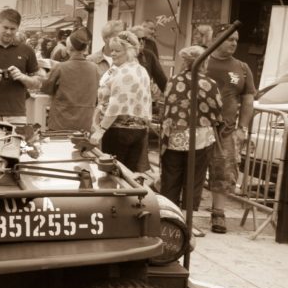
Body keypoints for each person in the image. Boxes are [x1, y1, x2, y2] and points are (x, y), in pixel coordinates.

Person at [160, 45, 223, 218]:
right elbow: (217, 110)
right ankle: (188, 221)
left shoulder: (173, 80)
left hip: (174, 137)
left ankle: (168, 218)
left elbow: (167, 105)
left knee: (171, 178)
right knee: (194, 181)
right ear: (204, 62)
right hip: (200, 139)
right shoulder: (210, 84)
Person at [204, 25, 255, 234]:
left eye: (236, 39)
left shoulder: (242, 67)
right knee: (192, 168)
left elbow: (248, 99)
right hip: (200, 127)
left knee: (224, 171)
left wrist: (242, 127)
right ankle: (183, 210)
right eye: (229, 39)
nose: (234, 43)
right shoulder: (202, 61)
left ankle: (218, 213)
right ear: (216, 39)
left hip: (227, 130)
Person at [90, 30, 152, 170]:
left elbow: (116, 105)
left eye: (117, 51)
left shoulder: (123, 72)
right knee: (129, 174)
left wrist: (100, 130)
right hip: (138, 131)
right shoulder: (140, 70)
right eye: (111, 50)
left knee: (113, 173)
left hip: (119, 131)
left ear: (129, 51)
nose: (112, 54)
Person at [0, 8, 41, 124]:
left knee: (15, 142)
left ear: (18, 28)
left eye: (12, 29)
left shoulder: (27, 50)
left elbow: (38, 83)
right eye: (5, 28)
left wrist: (22, 77)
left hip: (17, 115)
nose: (9, 32)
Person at [40, 27, 99, 132]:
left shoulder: (60, 67)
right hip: (85, 125)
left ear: (68, 48)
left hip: (60, 124)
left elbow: (45, 88)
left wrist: (43, 74)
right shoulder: (95, 68)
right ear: (85, 49)